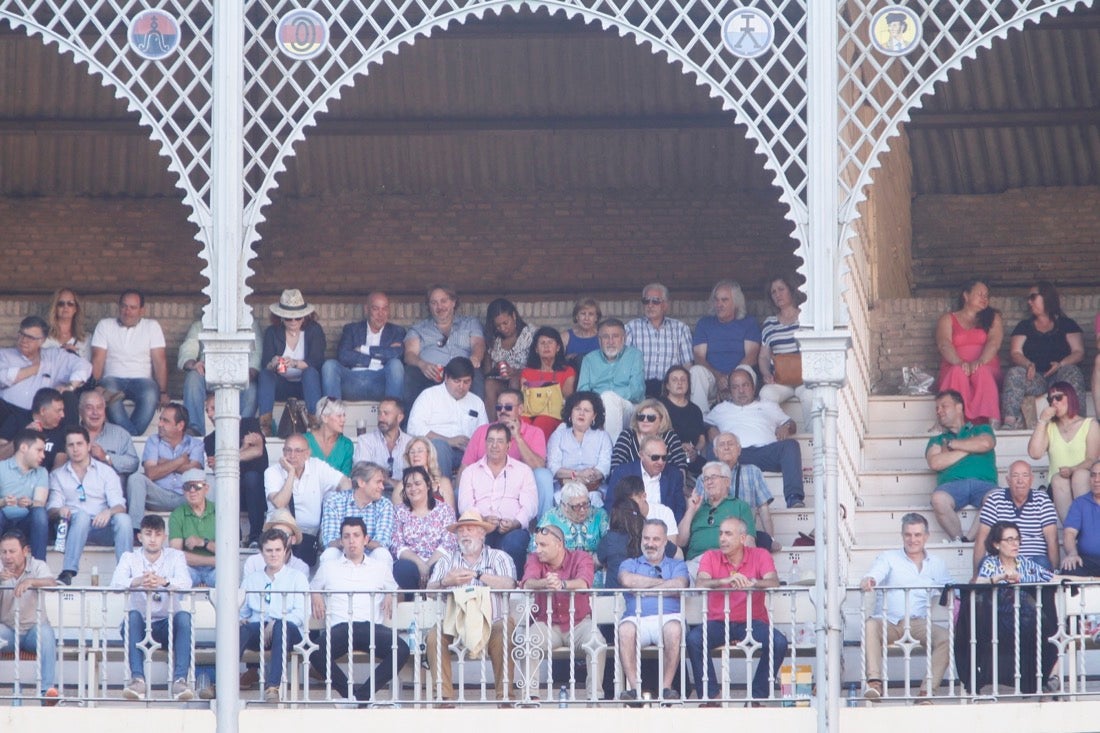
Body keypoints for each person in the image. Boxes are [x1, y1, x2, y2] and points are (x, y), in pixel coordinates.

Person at [309, 517, 410, 703]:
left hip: (371, 628)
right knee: (314, 652)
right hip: (340, 628)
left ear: (366, 539)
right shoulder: (328, 567)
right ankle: (353, 696)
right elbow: (312, 588)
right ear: (341, 541)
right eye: (346, 536)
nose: (351, 540)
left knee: (402, 649)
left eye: (356, 535)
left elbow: (400, 594)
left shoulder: (380, 568)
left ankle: (361, 696)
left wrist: (391, 594)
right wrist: (315, 593)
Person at [687, 516, 786, 704]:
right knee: (693, 639)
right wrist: (724, 581)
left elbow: (774, 582)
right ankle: (711, 697)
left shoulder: (760, 555)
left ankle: (756, 697)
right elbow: (701, 583)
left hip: (752, 621)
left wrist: (752, 583)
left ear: (742, 538)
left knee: (779, 642)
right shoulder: (711, 555)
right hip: (718, 622)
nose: (722, 538)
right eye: (721, 533)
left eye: (728, 534)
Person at [425, 510, 517, 702]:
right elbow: (429, 591)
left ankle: (505, 699)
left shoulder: (499, 557)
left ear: (482, 533)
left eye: (470, 529)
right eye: (460, 531)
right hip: (455, 624)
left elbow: (510, 584)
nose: (464, 534)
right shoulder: (446, 560)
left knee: (505, 628)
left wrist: (478, 575)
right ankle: (444, 699)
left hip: (492, 623)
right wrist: (445, 581)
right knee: (434, 636)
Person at [859, 513, 952, 702]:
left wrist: (954, 595)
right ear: (902, 536)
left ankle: (927, 691)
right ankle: (875, 683)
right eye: (908, 535)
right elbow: (875, 574)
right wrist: (870, 580)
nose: (913, 539)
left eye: (917, 535)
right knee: (870, 625)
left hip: (918, 623)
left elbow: (951, 590)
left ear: (926, 536)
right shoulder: (889, 557)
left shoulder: (937, 564)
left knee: (946, 638)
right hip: (889, 622)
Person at [960, 520, 1059, 695]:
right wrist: (1001, 577)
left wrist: (1090, 579)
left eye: (1017, 539)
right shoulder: (990, 563)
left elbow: (1052, 578)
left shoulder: (1026, 563)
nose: (1015, 543)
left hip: (1028, 623)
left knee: (1057, 629)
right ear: (996, 544)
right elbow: (979, 583)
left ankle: (1049, 681)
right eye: (1009, 539)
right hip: (998, 625)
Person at [519, 524, 606, 701]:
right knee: (528, 642)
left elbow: (584, 583)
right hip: (548, 624)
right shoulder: (534, 558)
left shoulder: (581, 557)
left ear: (559, 545)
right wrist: (546, 582)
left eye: (543, 545)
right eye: (537, 544)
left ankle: (595, 698)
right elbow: (527, 583)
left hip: (579, 623)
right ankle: (530, 698)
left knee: (597, 642)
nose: (538, 549)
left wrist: (562, 584)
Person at [112, 514, 195, 701]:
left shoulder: (176, 556)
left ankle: (180, 680)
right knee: (132, 617)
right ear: (140, 537)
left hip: (167, 625)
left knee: (183, 617)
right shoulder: (129, 557)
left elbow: (186, 583)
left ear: (164, 537)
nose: (152, 539)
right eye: (148, 534)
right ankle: (137, 680)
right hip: (140, 625)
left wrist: (163, 582)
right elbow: (116, 584)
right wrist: (139, 581)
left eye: (157, 534)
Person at [704, 366, 805, 509]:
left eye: (745, 385)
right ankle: (716, 499)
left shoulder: (768, 405)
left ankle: (794, 498)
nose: (741, 390)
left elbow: (791, 423)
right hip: (735, 456)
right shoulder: (721, 409)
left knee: (791, 445)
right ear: (730, 391)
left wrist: (786, 427)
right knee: (711, 449)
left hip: (766, 452)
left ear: (753, 387)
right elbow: (704, 425)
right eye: (735, 387)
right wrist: (711, 429)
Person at [48, 425, 132, 585]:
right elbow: (51, 509)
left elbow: (120, 505)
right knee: (81, 516)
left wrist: (109, 512)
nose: (75, 449)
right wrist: (60, 510)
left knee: (123, 519)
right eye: (71, 445)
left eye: (79, 444)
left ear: (88, 446)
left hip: (100, 527)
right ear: (65, 448)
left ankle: (125, 572)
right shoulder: (57, 475)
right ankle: (68, 572)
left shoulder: (106, 472)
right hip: (71, 528)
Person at [616, 519, 689, 702]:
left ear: (665, 541)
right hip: (636, 619)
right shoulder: (629, 563)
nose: (650, 543)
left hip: (668, 619)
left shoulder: (677, 565)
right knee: (624, 630)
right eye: (646, 538)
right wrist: (662, 584)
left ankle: (666, 688)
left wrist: (643, 586)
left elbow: (679, 585)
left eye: (656, 539)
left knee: (674, 629)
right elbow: (627, 581)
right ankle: (634, 690)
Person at [238, 527, 310, 703]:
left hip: (289, 629)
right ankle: (222, 684)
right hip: (260, 628)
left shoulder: (297, 577)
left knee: (280, 627)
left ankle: (273, 686)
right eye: (269, 550)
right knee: (241, 630)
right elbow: (243, 611)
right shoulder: (252, 579)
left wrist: (277, 622)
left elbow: (301, 613)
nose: (273, 554)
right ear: (262, 553)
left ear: (285, 551)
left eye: (278, 550)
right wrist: (241, 619)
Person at [1001, 281, 1085, 429]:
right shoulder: (1024, 326)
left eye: (1033, 297)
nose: (1029, 302)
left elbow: (1078, 352)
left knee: (1073, 371)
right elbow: (1015, 352)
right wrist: (1028, 364)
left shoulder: (1067, 324)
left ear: (1046, 297)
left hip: (1060, 377)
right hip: (1035, 378)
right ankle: (1010, 421)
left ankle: (1078, 420)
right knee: (1014, 373)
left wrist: (1061, 364)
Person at [459, 387, 554, 519]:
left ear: (520, 409)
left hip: (520, 490)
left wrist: (518, 437)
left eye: (508, 407)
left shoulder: (535, 432)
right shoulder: (482, 431)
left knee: (544, 475)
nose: (502, 411)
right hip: (485, 491)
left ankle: (545, 527)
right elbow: (465, 467)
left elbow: (539, 467)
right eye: (499, 407)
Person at [457, 422, 537, 575]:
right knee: (473, 539)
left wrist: (515, 522)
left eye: (500, 441)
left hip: (512, 529)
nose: (495, 445)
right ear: (485, 443)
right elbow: (465, 505)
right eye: (491, 441)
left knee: (515, 542)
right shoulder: (470, 472)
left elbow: (530, 505)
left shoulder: (523, 471)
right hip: (480, 527)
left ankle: (513, 588)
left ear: (508, 445)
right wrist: (482, 520)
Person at [264, 433, 352, 567]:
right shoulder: (272, 472)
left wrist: (340, 507)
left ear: (307, 454)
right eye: (288, 450)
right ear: (283, 452)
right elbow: (280, 503)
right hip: (280, 533)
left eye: (298, 451)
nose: (292, 455)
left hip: (310, 536)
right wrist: (291, 473)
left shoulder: (318, 467)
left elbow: (345, 483)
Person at [90, 290, 168, 436]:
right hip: (112, 379)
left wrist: (163, 391)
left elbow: (160, 361)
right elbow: (97, 359)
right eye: (124, 306)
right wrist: (95, 386)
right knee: (110, 395)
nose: (128, 311)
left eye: (133, 307)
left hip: (143, 380)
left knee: (151, 393)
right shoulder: (105, 325)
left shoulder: (152, 326)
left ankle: (125, 438)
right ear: (118, 307)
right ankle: (132, 438)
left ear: (142, 310)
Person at [0, 315, 90, 442]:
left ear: (42, 340)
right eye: (21, 334)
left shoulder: (53, 356)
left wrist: (70, 386)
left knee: (69, 397)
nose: (24, 340)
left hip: (39, 416)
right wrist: (33, 368)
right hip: (7, 412)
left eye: (30, 337)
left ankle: (70, 446)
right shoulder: (4, 355)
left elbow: (84, 366)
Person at [925, 389, 998, 542]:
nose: (939, 411)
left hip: (984, 485)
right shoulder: (937, 440)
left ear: (959, 407)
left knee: (996, 497)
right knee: (938, 499)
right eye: (937, 408)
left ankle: (969, 539)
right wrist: (970, 448)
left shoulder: (981, 428)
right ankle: (958, 539)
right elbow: (935, 462)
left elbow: (986, 443)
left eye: (944, 406)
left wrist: (953, 445)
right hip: (951, 487)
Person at [0, 529, 59, 704]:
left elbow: (52, 583)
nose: (7, 556)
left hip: (34, 630)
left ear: (25, 551)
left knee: (47, 634)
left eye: (12, 551)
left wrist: (31, 581)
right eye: (3, 552)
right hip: (8, 631)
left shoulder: (37, 565)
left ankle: (46, 692)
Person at [403, 284, 486, 406]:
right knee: (412, 373)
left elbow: (478, 344)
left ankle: (476, 418)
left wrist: (475, 358)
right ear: (429, 306)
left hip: (462, 372)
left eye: (443, 301)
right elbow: (409, 354)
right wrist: (422, 365)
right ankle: (411, 422)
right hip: (432, 373)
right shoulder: (418, 329)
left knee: (476, 372)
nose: (439, 306)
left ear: (453, 302)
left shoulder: (470, 323)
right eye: (434, 303)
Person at [1028, 382, 1100, 521]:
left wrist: (1073, 469)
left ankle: (1086, 527)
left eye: (1059, 397)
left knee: (1080, 476)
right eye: (1050, 400)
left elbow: (1092, 459)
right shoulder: (1049, 427)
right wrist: (1042, 421)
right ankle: (1071, 531)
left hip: (1084, 482)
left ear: (1071, 398)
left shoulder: (1089, 424)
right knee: (1058, 479)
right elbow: (1035, 454)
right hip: (1057, 486)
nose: (1054, 402)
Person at [204, 392, 268, 548]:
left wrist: (225, 458)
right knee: (227, 482)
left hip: (258, 494)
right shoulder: (210, 440)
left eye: (213, 408)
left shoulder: (249, 424)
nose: (210, 414)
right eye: (207, 410)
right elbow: (217, 468)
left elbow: (257, 451)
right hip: (234, 493)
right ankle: (233, 536)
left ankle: (255, 537)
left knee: (251, 477)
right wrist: (243, 449)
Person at [935, 279, 1003, 425]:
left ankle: (992, 419)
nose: (984, 298)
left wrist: (980, 361)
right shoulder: (948, 319)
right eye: (980, 294)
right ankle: (951, 421)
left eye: (986, 295)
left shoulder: (993, 317)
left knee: (982, 371)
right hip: (955, 364)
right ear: (966, 295)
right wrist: (959, 362)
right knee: (957, 372)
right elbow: (943, 344)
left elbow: (994, 342)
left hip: (986, 364)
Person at [125, 403, 205, 529]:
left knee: (212, 481)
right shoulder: (153, 440)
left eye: (165, 421)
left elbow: (193, 473)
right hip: (158, 496)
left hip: (186, 496)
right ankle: (135, 532)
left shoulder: (196, 444)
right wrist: (180, 461)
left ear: (180, 425)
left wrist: (163, 463)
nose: (159, 424)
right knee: (136, 479)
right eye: (160, 419)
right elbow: (151, 473)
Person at [257, 289, 325, 436]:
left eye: (298, 317)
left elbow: (317, 361)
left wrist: (294, 363)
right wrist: (273, 362)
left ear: (305, 317)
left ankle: (315, 423)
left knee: (310, 373)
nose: (294, 321)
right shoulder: (272, 332)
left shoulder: (314, 330)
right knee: (265, 375)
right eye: (289, 318)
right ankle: (265, 425)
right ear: (281, 317)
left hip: (307, 385)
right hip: (282, 384)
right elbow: (265, 364)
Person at [407, 356, 488, 479]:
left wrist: (472, 446)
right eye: (457, 381)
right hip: (438, 451)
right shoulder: (429, 396)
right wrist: (448, 441)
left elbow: (484, 433)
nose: (461, 386)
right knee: (439, 445)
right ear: (446, 378)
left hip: (467, 452)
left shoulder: (476, 402)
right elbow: (414, 427)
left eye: (466, 382)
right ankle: (444, 492)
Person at [694, 433, 777, 551]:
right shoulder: (704, 478)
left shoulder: (753, 472)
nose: (726, 447)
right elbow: (698, 510)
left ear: (739, 450)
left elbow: (763, 509)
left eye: (731, 444)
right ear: (715, 452)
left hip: (744, 533)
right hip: (715, 533)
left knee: (763, 541)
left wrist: (771, 539)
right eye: (722, 445)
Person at [178, 318, 262, 434]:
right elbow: (188, 349)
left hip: (238, 376)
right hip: (208, 374)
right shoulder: (200, 325)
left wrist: (249, 374)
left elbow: (256, 355)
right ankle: (194, 430)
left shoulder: (250, 324)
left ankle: (240, 431)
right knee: (193, 378)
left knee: (252, 388)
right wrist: (193, 364)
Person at [972, 461, 1057, 573]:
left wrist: (1056, 572)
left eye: (1025, 476)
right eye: (1015, 476)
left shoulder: (1042, 500)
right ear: (1008, 480)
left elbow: (1052, 540)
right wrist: (975, 576)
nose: (1020, 481)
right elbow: (981, 539)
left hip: (1033, 563)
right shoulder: (995, 499)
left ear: (1031, 479)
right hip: (1002, 561)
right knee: (985, 564)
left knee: (1042, 562)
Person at [321, 291, 406, 402]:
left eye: (384, 309)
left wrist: (363, 349)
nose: (381, 314)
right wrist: (379, 358)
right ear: (366, 309)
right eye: (376, 309)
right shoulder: (352, 329)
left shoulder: (396, 331)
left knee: (395, 364)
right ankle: (333, 415)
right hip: (353, 381)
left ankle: (391, 413)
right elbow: (343, 356)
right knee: (330, 365)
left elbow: (396, 354)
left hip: (380, 383)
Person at [690, 280, 761, 412]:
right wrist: (718, 377)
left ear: (736, 303)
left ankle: (746, 414)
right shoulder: (705, 323)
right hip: (712, 378)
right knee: (696, 371)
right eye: (716, 300)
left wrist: (730, 379)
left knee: (747, 369)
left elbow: (752, 356)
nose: (719, 304)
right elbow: (698, 357)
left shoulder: (748, 323)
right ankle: (701, 421)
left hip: (738, 377)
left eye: (724, 300)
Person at [390, 465, 458, 590]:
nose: (413, 488)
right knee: (402, 568)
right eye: (408, 485)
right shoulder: (399, 511)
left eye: (417, 483)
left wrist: (427, 566)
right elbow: (397, 544)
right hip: (412, 565)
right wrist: (420, 564)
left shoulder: (444, 509)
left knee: (440, 567)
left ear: (427, 485)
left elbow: (449, 542)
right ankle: (412, 601)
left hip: (437, 561)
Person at [677, 462, 756, 566]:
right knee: (682, 579)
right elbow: (680, 542)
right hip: (696, 563)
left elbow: (749, 543)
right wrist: (691, 511)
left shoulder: (740, 506)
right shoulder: (697, 507)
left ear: (727, 481)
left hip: (726, 561)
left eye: (713, 477)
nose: (709, 482)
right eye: (706, 479)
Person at [758, 274, 812, 426]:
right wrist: (766, 374)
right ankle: (782, 428)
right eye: (773, 292)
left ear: (791, 291)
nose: (777, 294)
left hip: (806, 380)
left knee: (811, 397)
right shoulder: (770, 323)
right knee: (765, 394)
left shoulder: (807, 318)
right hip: (781, 381)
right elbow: (763, 356)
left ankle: (812, 440)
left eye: (781, 289)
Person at [578, 318, 644, 439]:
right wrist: (600, 403)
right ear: (599, 340)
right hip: (596, 409)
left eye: (615, 336)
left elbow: (637, 391)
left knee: (609, 398)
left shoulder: (634, 355)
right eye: (605, 337)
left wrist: (607, 398)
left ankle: (612, 453)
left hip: (628, 408)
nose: (610, 341)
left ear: (624, 338)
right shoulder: (589, 359)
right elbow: (582, 392)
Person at [597, 488, 677, 588]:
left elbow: (595, 562)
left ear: (614, 516)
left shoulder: (609, 539)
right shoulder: (649, 538)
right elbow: (679, 555)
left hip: (615, 599)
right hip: (649, 595)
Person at [317, 461, 394, 564]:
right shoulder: (334, 501)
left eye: (382, 483)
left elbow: (382, 543)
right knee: (330, 554)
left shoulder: (384, 504)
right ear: (361, 482)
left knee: (383, 554)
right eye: (378, 482)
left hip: (370, 556)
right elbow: (330, 541)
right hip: (342, 553)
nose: (382, 487)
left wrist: (353, 539)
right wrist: (354, 541)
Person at [625, 283, 693, 398]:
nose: (650, 305)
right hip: (640, 389)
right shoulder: (631, 328)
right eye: (646, 301)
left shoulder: (681, 329)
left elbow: (687, 366)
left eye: (655, 301)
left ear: (665, 305)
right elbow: (624, 363)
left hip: (669, 391)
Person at [546, 391, 613, 506]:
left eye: (587, 410)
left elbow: (604, 468)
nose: (581, 413)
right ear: (571, 412)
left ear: (594, 416)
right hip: (564, 488)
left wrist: (587, 478)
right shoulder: (558, 435)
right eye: (577, 409)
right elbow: (553, 467)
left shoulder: (603, 436)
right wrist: (577, 474)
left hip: (594, 489)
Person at [607, 435, 686, 524]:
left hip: (663, 531)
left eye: (664, 458)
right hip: (630, 528)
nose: (660, 462)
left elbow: (680, 509)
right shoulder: (623, 472)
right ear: (641, 455)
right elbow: (611, 505)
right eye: (655, 457)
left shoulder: (674, 475)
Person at [483, 298, 535, 421]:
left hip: (524, 383)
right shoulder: (494, 340)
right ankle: (492, 425)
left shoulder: (530, 335)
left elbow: (537, 366)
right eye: (498, 326)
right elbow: (487, 373)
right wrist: (496, 369)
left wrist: (516, 372)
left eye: (505, 323)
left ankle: (513, 423)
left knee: (514, 381)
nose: (502, 328)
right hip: (501, 381)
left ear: (513, 316)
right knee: (489, 384)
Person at [520, 326, 576, 440]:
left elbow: (567, 398)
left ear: (558, 347)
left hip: (555, 415)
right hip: (530, 413)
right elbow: (524, 398)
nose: (546, 346)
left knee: (543, 420)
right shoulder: (527, 373)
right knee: (522, 421)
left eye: (550, 342)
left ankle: (537, 455)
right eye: (542, 343)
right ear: (536, 349)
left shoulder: (568, 371)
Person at [0, 429, 48, 560]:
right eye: (39, 450)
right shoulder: (1, 467)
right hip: (3, 521)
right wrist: (4, 502)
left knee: (39, 512)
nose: (43, 455)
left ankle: (40, 565)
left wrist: (30, 503)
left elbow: (40, 502)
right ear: (23, 447)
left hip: (26, 524)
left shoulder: (41, 472)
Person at [609, 398, 687, 476]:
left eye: (651, 418)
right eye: (641, 417)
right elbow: (615, 466)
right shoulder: (627, 435)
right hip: (630, 484)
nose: (645, 420)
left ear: (661, 420)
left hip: (663, 485)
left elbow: (681, 467)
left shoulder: (670, 437)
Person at [168, 470, 218, 587]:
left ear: (206, 488)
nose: (192, 491)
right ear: (183, 491)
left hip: (215, 570)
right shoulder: (177, 514)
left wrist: (203, 542)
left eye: (197, 486)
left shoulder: (219, 510)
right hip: (190, 569)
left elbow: (227, 552)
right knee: (176, 578)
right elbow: (176, 555)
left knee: (228, 578)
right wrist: (212, 560)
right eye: (187, 486)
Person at [533, 480, 609, 556]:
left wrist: (598, 559)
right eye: (577, 506)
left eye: (585, 504)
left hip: (595, 565)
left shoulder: (599, 514)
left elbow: (611, 544)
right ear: (565, 506)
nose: (582, 510)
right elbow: (534, 549)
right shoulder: (550, 518)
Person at [79, 389, 140, 483]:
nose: (95, 412)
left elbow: (134, 464)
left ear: (104, 410)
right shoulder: (71, 435)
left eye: (99, 407)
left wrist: (106, 457)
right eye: (89, 408)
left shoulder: (120, 434)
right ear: (80, 411)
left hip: (112, 495)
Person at [353, 397, 412, 491]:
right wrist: (390, 481)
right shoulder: (365, 441)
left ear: (399, 417)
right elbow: (362, 474)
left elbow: (417, 476)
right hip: (374, 496)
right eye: (379, 413)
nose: (381, 418)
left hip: (404, 496)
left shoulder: (410, 443)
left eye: (386, 413)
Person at [659, 366, 706, 477]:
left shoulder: (695, 409)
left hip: (691, 457)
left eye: (683, 379)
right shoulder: (659, 406)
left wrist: (695, 451)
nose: (679, 383)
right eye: (674, 380)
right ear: (667, 385)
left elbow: (702, 439)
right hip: (667, 457)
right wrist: (678, 447)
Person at [394, 436, 455, 508]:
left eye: (420, 451)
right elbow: (397, 516)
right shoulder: (401, 486)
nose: (415, 455)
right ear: (408, 457)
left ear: (429, 454)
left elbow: (451, 515)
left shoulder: (443, 483)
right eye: (412, 452)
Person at [1062, 460, 1100, 575]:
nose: (1096, 480)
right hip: (1088, 561)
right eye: (1093, 475)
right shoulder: (1080, 503)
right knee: (1069, 568)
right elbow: (1069, 533)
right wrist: (1072, 553)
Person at [306, 397, 354, 475]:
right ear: (325, 418)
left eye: (344, 415)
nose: (343, 419)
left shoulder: (346, 444)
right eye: (339, 416)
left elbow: (346, 478)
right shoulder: (304, 441)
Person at [44, 287, 90, 361]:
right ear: (55, 308)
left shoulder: (86, 339)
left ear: (75, 309)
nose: (66, 307)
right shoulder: (43, 337)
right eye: (61, 304)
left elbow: (89, 368)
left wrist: (76, 353)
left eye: (70, 304)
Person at [27, 388, 67, 471]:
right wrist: (23, 435)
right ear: (43, 411)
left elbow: (59, 465)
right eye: (58, 410)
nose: (62, 415)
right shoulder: (18, 420)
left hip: (47, 480)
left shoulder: (62, 429)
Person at [561, 298, 601, 375]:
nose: (586, 318)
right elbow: (556, 362)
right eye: (583, 314)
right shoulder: (565, 337)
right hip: (572, 380)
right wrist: (567, 359)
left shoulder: (602, 337)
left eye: (591, 314)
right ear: (577, 316)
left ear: (596, 318)